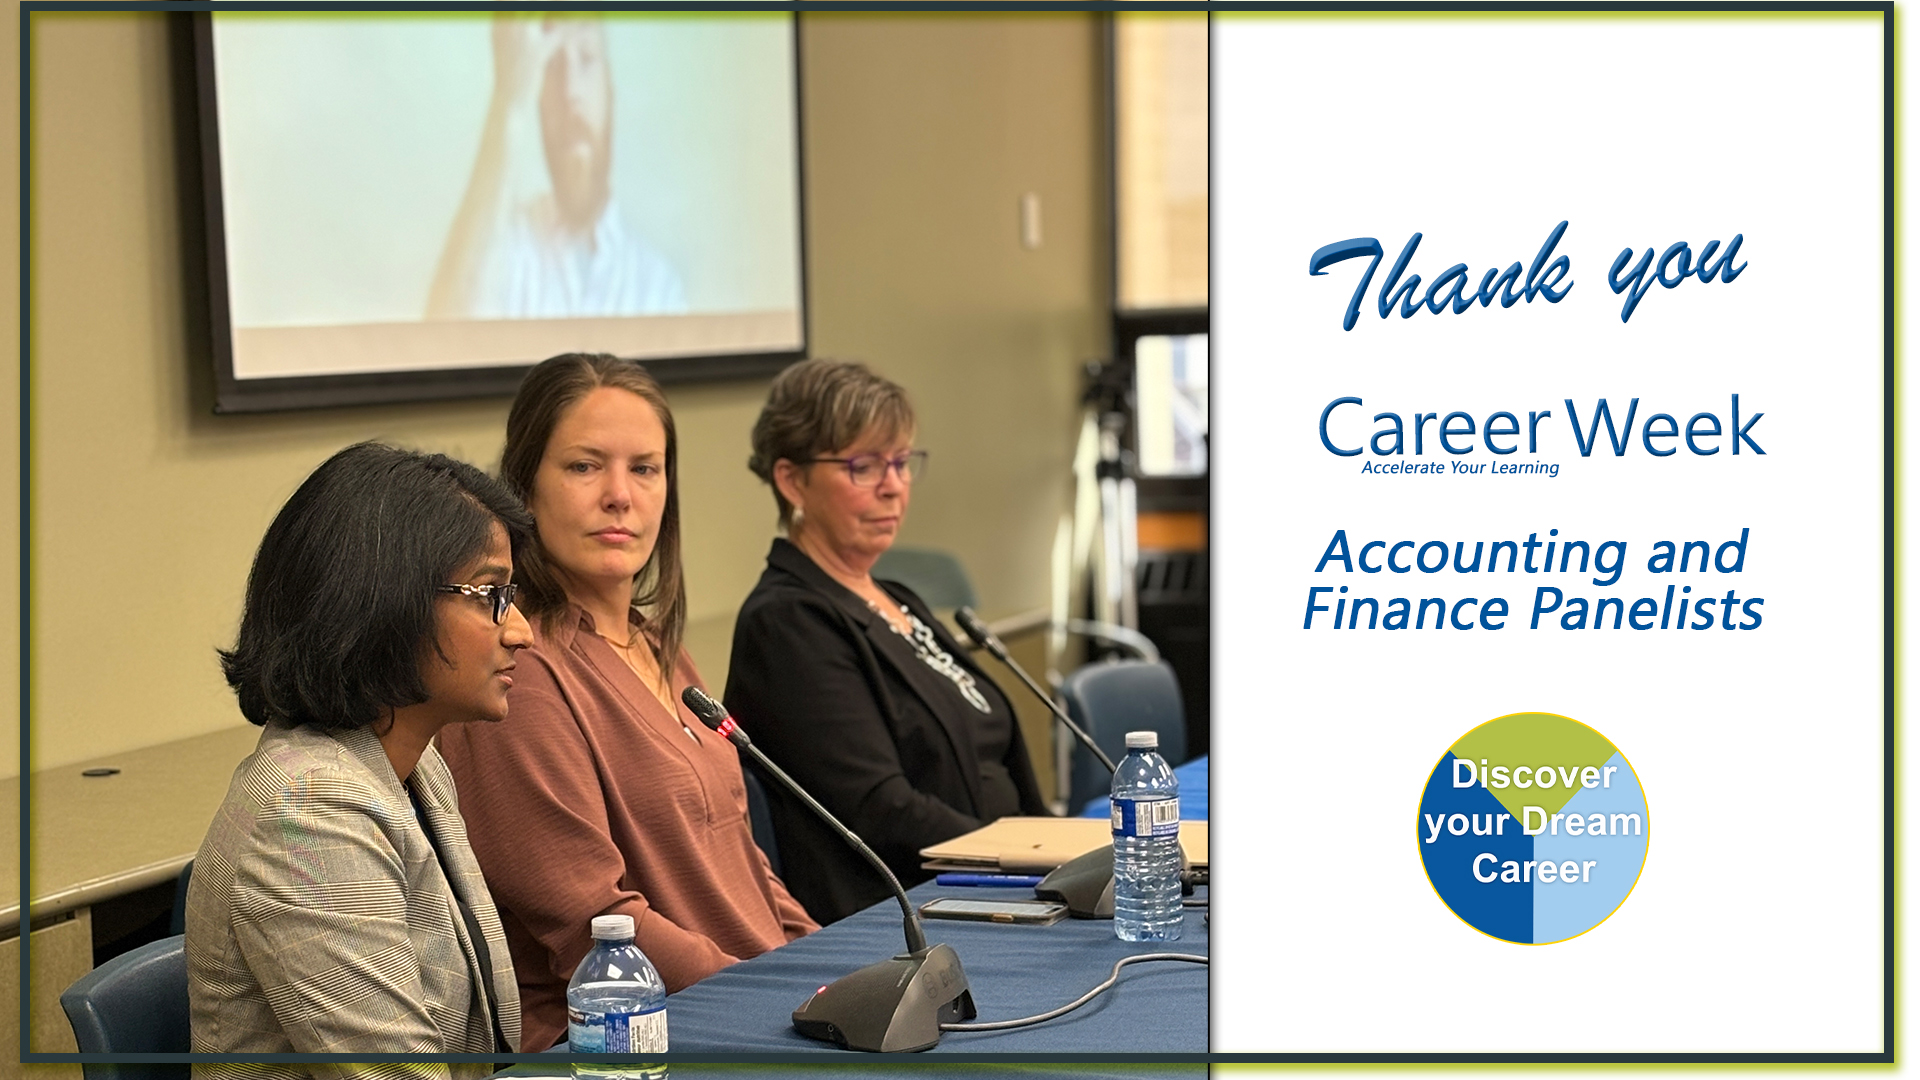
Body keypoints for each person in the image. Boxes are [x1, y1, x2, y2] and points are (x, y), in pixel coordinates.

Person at [437, 353, 815, 1052]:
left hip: (757, 1008)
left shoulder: (662, 651)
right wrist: (776, 996)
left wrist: (827, 961)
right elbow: (592, 921)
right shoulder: (517, 671)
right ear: (524, 488)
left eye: (645, 468)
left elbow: (741, 861)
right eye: (584, 467)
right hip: (636, 1039)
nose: (620, 495)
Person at [186, 442, 531, 1073]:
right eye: (489, 593)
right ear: (382, 599)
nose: (520, 629)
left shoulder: (413, 765)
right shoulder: (306, 809)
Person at [725, 358, 1051, 925]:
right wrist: (1028, 858)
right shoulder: (787, 622)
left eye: (901, 463)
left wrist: (1060, 846)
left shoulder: (899, 598)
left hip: (999, 881)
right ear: (792, 479)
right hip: (914, 913)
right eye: (864, 466)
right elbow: (881, 810)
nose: (894, 486)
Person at [426, 16, 685, 320]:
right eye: (552, 67)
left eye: (586, 59)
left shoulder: (657, 283)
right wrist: (507, 102)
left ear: (610, 92)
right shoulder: (507, 249)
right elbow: (449, 330)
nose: (570, 90)